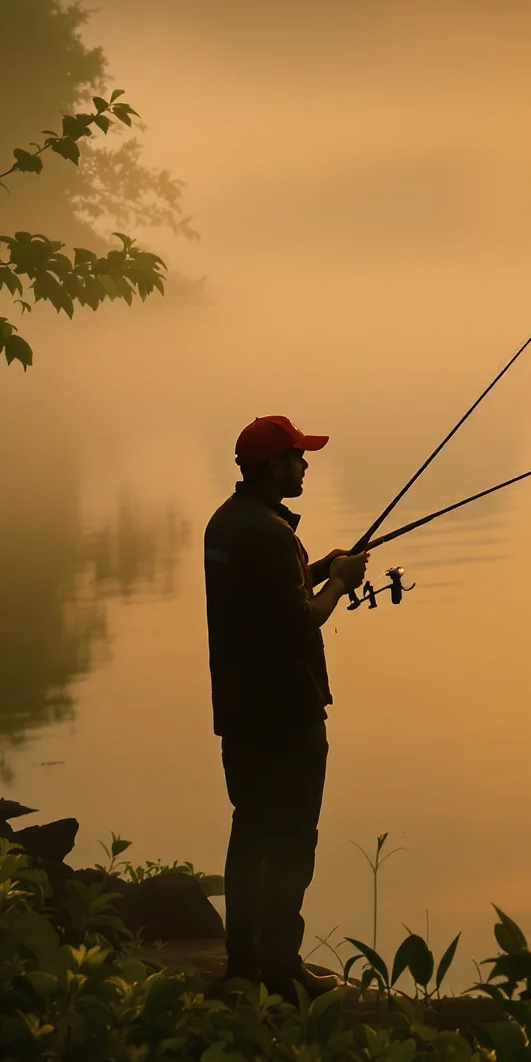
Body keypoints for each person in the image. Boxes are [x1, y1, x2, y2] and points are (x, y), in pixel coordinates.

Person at [203, 413, 368, 991]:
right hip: (287, 714)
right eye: (298, 457)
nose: (304, 466)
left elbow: (270, 595)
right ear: (273, 467)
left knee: (249, 833)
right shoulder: (271, 534)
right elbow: (298, 621)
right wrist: (339, 583)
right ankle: (282, 970)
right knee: (293, 839)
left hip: (241, 713)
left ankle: (244, 966)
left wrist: (322, 565)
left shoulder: (226, 525)